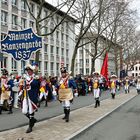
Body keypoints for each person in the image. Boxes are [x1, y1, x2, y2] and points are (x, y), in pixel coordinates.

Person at [18, 64, 40, 133]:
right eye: (27, 71)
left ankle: (30, 126)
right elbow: (21, 86)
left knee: (31, 111)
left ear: (32, 71)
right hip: (25, 95)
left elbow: (35, 85)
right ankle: (33, 120)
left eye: (30, 70)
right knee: (24, 111)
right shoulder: (24, 77)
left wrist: (27, 80)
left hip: (32, 96)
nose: (29, 72)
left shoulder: (35, 77)